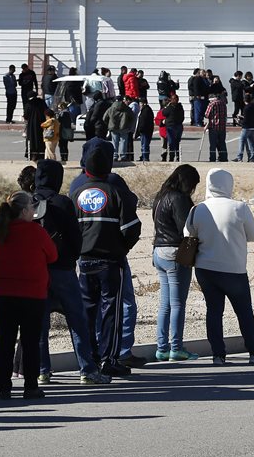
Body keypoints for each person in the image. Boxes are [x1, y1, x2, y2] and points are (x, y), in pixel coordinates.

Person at [31, 160, 109, 385]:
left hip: (36, 271)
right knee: (77, 320)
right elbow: (76, 238)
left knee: (40, 324)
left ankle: (42, 370)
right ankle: (87, 370)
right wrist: (71, 258)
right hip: (63, 269)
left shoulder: (26, 201)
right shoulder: (62, 202)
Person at [70, 140, 142, 376]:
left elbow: (70, 226)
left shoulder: (76, 191)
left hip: (84, 260)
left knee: (88, 311)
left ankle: (89, 359)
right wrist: (122, 248)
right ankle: (109, 359)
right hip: (111, 261)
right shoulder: (115, 189)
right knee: (112, 311)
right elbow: (132, 227)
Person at [187, 167, 254, 365]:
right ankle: (253, 352)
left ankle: (218, 355)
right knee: (244, 311)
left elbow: (188, 233)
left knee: (214, 311)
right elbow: (253, 234)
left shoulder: (198, 208)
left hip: (205, 268)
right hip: (233, 268)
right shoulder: (239, 208)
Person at [0, 192, 57, 400]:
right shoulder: (36, 232)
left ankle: (4, 387)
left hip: (2, 293)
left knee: (5, 341)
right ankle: (30, 386)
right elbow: (53, 255)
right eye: (31, 207)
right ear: (25, 210)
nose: (34, 211)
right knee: (30, 341)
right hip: (31, 294)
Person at [151, 165, 201, 362]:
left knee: (165, 304)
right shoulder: (179, 198)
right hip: (174, 253)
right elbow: (186, 229)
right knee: (178, 303)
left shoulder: (161, 195)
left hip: (159, 252)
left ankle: (162, 348)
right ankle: (176, 347)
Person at [239, 93, 254, 162]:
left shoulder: (246, 108)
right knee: (252, 142)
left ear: (244, 100)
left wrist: (240, 121)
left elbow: (246, 119)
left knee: (242, 141)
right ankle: (253, 157)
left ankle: (240, 157)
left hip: (246, 127)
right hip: (253, 127)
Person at [162, 92, 185, 162]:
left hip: (173, 126)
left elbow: (164, 113)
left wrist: (167, 105)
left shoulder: (171, 107)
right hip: (175, 126)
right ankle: (175, 156)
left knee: (172, 142)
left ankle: (173, 157)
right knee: (175, 142)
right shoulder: (179, 107)